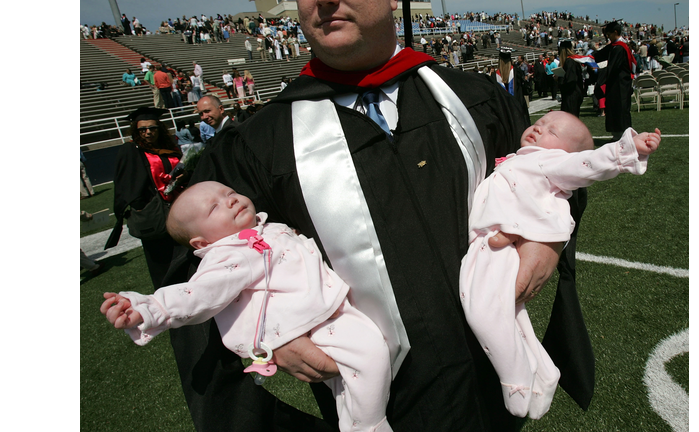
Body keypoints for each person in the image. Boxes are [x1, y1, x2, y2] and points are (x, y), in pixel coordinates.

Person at [159, 0, 595, 430]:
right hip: (383, 399)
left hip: (494, 381)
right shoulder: (258, 144)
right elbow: (195, 260)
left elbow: (558, 172)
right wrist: (264, 325)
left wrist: (548, 238)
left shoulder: (473, 98)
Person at [101, 181, 393, 432]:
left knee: (349, 383)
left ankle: (354, 423)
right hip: (313, 323)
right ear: (201, 242)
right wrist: (149, 308)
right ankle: (370, 426)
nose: (230, 201)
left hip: (325, 311)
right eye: (213, 208)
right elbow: (197, 293)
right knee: (370, 351)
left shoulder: (264, 228)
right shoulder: (229, 253)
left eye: (229, 193)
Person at [460, 111, 660, 420]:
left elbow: (586, 163)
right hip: (496, 244)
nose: (539, 129)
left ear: (564, 152)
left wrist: (626, 149)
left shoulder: (547, 161)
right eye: (539, 123)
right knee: (511, 316)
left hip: (496, 246)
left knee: (482, 309)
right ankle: (543, 371)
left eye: (552, 131)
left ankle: (515, 379)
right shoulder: (519, 159)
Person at [104, 107, 183, 289]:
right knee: (162, 263)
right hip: (155, 215)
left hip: (178, 209)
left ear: (159, 128)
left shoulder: (168, 148)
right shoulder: (131, 150)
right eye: (143, 129)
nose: (148, 132)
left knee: (183, 255)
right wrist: (142, 206)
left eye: (152, 128)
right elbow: (126, 184)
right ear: (136, 131)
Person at [593, 21, 636, 140]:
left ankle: (623, 136)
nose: (608, 37)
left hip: (620, 85)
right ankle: (617, 134)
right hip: (616, 85)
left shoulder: (619, 48)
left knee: (620, 109)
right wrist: (587, 59)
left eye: (609, 34)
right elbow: (599, 55)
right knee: (614, 108)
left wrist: (600, 79)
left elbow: (612, 68)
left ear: (615, 32)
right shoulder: (615, 46)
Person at [558, 40, 587, 117]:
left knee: (570, 118)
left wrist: (560, 78)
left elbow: (571, 80)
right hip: (574, 94)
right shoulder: (573, 61)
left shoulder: (569, 62)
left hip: (571, 95)